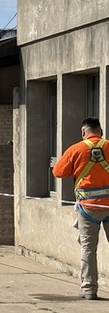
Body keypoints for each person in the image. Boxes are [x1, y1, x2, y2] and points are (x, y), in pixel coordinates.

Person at [52, 117, 109, 300]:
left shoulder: (76, 149)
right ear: (100, 131)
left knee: (88, 249)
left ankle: (89, 289)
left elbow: (58, 172)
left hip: (88, 207)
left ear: (84, 132)